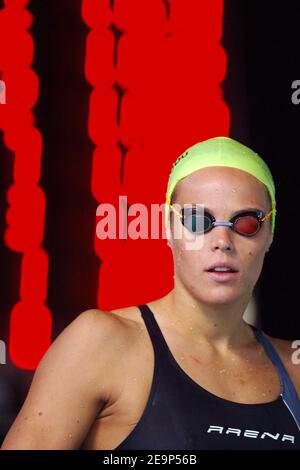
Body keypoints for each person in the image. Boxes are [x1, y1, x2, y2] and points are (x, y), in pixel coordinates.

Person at [1, 136, 300, 450]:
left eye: (247, 223)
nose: (222, 241)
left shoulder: (293, 368)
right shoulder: (102, 344)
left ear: (270, 234)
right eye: (198, 221)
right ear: (169, 230)